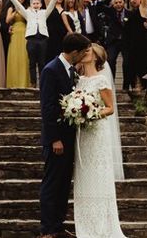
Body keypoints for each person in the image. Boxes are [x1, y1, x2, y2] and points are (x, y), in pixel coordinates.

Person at [38, 32, 92, 238]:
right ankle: (47, 230)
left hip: (69, 138)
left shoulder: (70, 71)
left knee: (63, 184)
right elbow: (48, 108)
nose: (85, 56)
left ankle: (58, 226)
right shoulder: (51, 70)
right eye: (84, 52)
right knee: (52, 183)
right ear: (75, 52)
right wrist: (55, 139)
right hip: (57, 140)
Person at [72, 43, 127, 238]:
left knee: (98, 175)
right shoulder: (78, 80)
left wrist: (91, 114)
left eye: (88, 51)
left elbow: (110, 108)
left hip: (97, 133)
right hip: (83, 135)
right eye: (84, 50)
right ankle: (85, 227)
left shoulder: (101, 80)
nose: (85, 53)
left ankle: (103, 227)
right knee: (83, 176)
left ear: (96, 57)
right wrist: (77, 113)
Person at [7, 0, 62, 86]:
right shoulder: (27, 13)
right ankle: (33, 83)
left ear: (41, 5)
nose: (36, 5)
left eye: (37, 3)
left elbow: (51, 5)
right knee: (32, 62)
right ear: (31, 5)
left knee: (42, 62)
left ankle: (42, 82)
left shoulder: (44, 13)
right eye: (34, 4)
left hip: (42, 39)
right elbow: (18, 6)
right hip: (31, 39)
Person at [122, 0, 147, 91]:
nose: (132, 0)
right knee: (131, 69)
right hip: (132, 46)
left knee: (144, 68)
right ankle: (133, 88)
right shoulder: (130, 12)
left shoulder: (143, 9)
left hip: (143, 45)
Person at [5, 0, 31, 88]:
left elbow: (29, 19)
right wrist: (16, 9)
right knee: (14, 57)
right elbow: (7, 20)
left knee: (24, 57)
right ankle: (13, 83)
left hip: (25, 32)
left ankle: (24, 83)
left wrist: (21, 9)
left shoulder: (27, 8)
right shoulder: (11, 8)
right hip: (15, 33)